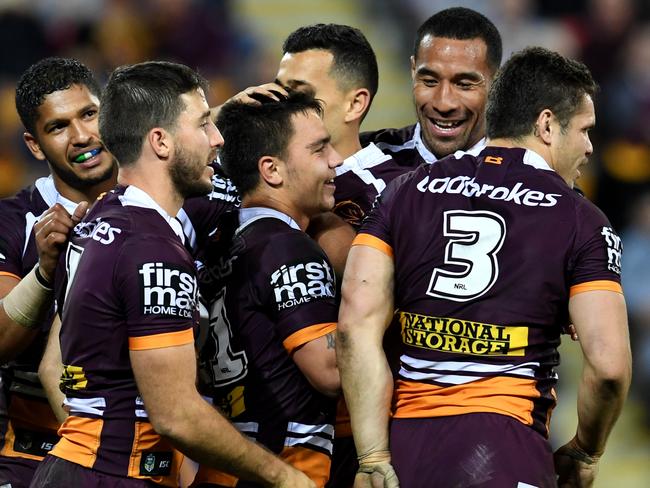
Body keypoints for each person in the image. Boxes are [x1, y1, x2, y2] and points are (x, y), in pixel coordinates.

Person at [337, 47, 631, 488]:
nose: (590, 147)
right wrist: (586, 450)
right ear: (547, 125)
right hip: (506, 449)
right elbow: (609, 368)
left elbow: (354, 327)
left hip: (405, 453)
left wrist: (373, 456)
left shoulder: (403, 191)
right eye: (586, 130)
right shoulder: (580, 219)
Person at [29, 61, 313, 488]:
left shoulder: (96, 220)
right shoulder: (151, 249)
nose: (217, 139)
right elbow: (176, 414)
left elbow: (55, 367)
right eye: (202, 124)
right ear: (160, 142)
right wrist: (286, 478)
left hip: (84, 468)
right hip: (112, 477)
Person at [191, 91, 342, 487]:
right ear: (272, 170)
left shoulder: (219, 240)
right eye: (319, 149)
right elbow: (329, 370)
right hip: (287, 463)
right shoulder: (286, 246)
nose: (336, 160)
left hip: (226, 462)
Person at [0, 57, 116, 488]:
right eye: (58, 126)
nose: (82, 136)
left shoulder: (162, 202)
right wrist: (46, 271)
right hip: (33, 455)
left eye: (90, 114)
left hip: (152, 452)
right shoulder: (13, 221)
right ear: (34, 145)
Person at [361, 7, 502, 166]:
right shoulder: (364, 158)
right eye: (430, 81)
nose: (443, 104)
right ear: (413, 71)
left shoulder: (525, 175)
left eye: (464, 85)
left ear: (497, 82)